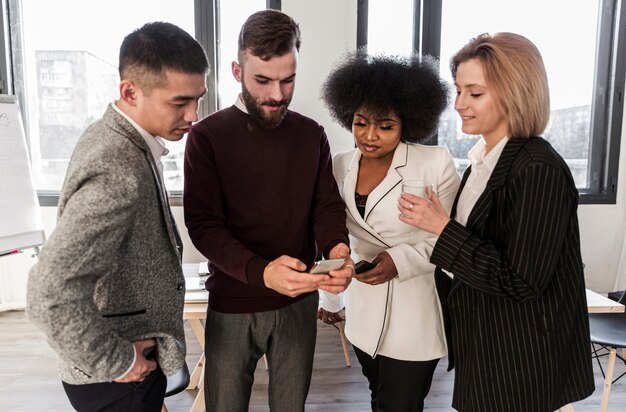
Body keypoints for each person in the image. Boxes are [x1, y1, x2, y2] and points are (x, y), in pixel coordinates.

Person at [398, 32, 595, 411]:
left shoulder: (538, 168)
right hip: (485, 348)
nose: (459, 104)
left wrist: (442, 229)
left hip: (519, 362)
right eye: (458, 91)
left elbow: (521, 279)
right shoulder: (484, 161)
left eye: (474, 93)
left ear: (513, 92)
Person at [27, 22, 209, 412]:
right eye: (180, 102)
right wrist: (117, 361)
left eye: (198, 99)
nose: (194, 115)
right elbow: (49, 293)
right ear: (130, 91)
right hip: (117, 379)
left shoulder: (120, 137)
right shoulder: (117, 166)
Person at [183, 9, 354, 412]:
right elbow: (205, 227)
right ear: (236, 70)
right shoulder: (206, 137)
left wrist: (337, 249)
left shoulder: (311, 134)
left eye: (288, 79)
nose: (277, 94)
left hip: (298, 304)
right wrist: (262, 272)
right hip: (232, 303)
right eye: (262, 80)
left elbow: (326, 205)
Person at [317, 52, 461, 411]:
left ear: (407, 123)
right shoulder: (338, 166)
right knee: (378, 394)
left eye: (385, 126)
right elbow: (335, 235)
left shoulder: (435, 163)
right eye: (360, 123)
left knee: (401, 403)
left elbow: (452, 238)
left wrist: (399, 260)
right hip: (364, 307)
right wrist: (331, 300)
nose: (369, 136)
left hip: (416, 311)